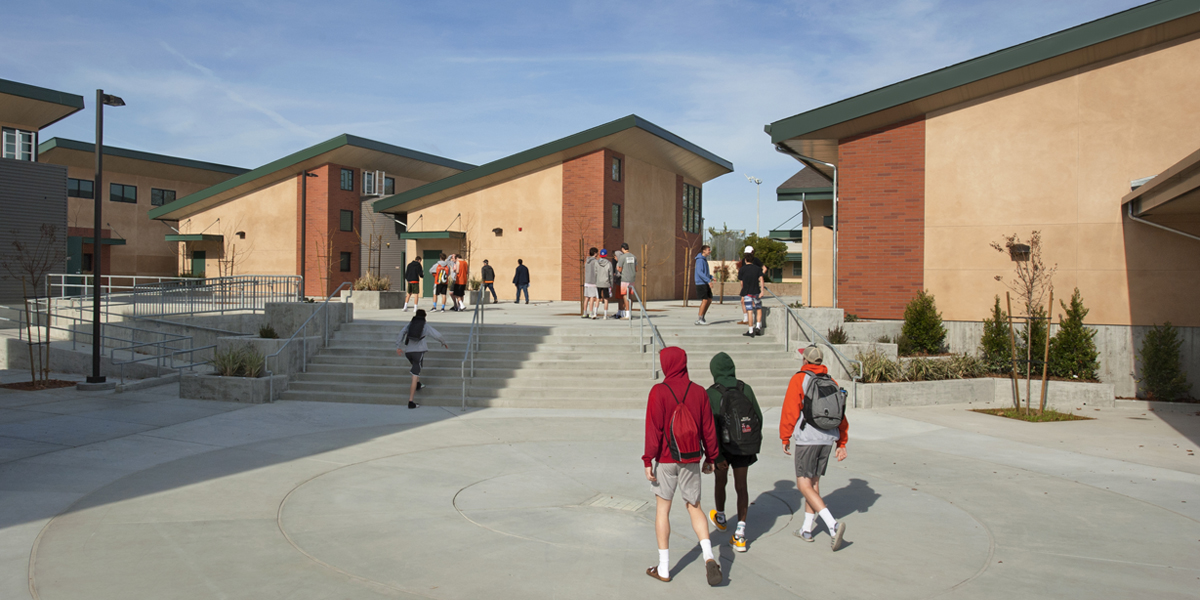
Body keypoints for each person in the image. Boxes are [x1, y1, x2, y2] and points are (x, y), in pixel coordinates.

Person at [642, 346, 723, 586]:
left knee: (662, 510)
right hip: (691, 458)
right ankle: (709, 556)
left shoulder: (659, 391)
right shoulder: (699, 392)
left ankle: (664, 568)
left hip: (666, 460)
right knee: (694, 506)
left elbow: (653, 430)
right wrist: (711, 458)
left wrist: (648, 460)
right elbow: (709, 429)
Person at [780, 345, 849, 551]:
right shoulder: (831, 381)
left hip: (808, 438)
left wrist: (785, 436)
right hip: (827, 438)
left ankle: (833, 525)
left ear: (805, 360)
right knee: (814, 482)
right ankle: (807, 529)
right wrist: (842, 442)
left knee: (803, 484)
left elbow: (790, 410)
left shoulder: (800, 379)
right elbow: (841, 414)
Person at [706, 352, 763, 553]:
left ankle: (720, 517)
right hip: (743, 447)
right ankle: (740, 533)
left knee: (720, 481)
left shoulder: (712, 393)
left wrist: (715, 455)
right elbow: (758, 417)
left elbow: (708, 427)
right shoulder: (745, 388)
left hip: (722, 449)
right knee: (742, 486)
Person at [394, 309, 449, 409]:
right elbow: (437, 335)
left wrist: (398, 346)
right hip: (418, 352)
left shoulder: (410, 324)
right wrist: (443, 342)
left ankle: (418, 384)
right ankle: (411, 401)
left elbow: (401, 333)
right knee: (415, 374)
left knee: (416, 366)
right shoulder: (425, 326)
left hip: (408, 352)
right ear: (425, 316)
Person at [738, 250, 765, 337]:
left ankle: (750, 330)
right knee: (758, 309)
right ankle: (758, 326)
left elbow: (741, 282)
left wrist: (743, 289)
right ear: (753, 260)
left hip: (747, 293)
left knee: (750, 310)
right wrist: (762, 291)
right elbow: (761, 279)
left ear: (745, 260)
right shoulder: (757, 269)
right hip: (756, 292)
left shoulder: (742, 269)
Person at [616, 242, 637, 319]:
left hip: (625, 278)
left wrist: (618, 269)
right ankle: (630, 312)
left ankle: (627, 314)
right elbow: (636, 268)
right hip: (632, 278)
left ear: (622, 249)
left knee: (625, 296)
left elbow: (620, 269)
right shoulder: (634, 257)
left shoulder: (622, 257)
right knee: (630, 296)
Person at [694, 245, 713, 326]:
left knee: (709, 299)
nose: (710, 251)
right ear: (704, 251)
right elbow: (700, 272)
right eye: (708, 250)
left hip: (705, 282)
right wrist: (708, 281)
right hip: (701, 283)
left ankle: (702, 316)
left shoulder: (704, 260)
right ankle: (699, 319)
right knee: (705, 300)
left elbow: (705, 273)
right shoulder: (700, 260)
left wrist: (711, 277)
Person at [593, 249, 614, 320]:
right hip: (606, 282)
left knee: (598, 298)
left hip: (598, 282)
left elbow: (595, 273)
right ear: (606, 255)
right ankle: (605, 315)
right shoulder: (609, 263)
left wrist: (596, 281)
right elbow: (611, 275)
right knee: (606, 299)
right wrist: (611, 284)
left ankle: (595, 313)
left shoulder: (596, 263)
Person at [583, 247, 599, 319]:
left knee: (586, 297)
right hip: (593, 281)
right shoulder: (595, 262)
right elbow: (597, 271)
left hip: (587, 281)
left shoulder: (587, 261)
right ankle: (590, 313)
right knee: (592, 297)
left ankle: (584, 313)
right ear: (595, 253)